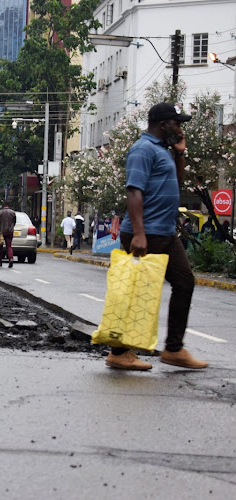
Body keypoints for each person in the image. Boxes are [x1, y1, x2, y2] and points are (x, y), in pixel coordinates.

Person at [107, 102, 207, 371]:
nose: (180, 127)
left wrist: (180, 154)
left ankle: (173, 349)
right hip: (145, 233)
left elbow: (175, 182)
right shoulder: (142, 150)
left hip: (163, 232)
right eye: (177, 123)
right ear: (164, 125)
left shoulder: (162, 150)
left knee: (184, 282)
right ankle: (119, 352)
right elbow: (134, 192)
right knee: (138, 290)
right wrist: (139, 233)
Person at [0, 203, 16, 268]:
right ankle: (11, 258)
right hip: (10, 232)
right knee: (9, 246)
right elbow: (14, 221)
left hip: (1, 231)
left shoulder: (0, 212)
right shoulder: (13, 213)